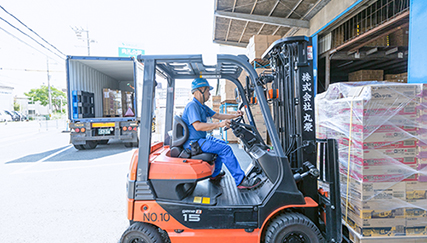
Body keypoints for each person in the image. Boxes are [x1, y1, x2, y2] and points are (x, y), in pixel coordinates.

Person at [181, 78, 261, 189]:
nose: (209, 94)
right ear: (200, 90)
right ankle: (241, 180)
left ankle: (214, 174)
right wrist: (219, 125)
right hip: (194, 143)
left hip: (200, 139)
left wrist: (235, 115)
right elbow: (198, 126)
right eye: (208, 91)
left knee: (222, 144)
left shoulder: (201, 106)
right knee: (225, 149)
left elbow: (218, 115)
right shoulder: (192, 106)